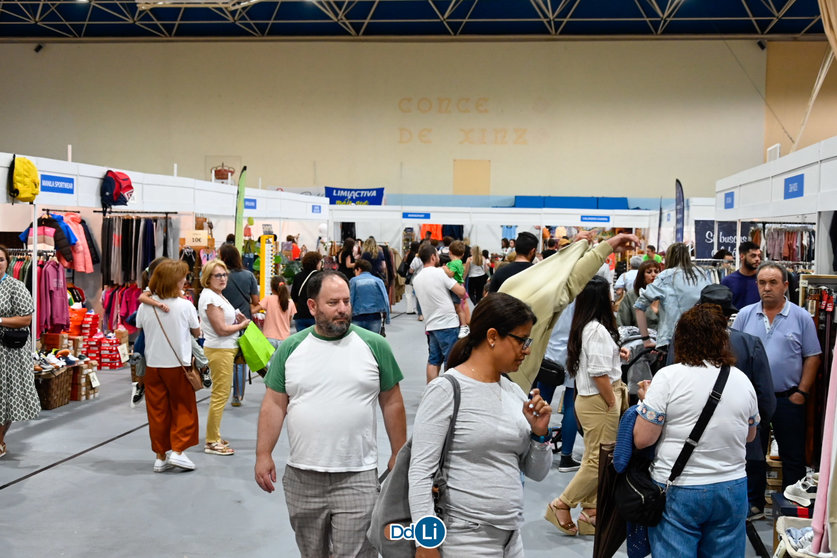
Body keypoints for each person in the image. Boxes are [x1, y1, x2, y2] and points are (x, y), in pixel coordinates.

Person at [254, 271, 407, 558]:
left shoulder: (375, 346)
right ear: (312, 307)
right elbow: (274, 404)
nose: (343, 309)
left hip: (357, 475)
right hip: (303, 476)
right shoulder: (291, 348)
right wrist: (264, 453)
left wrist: (399, 451)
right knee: (312, 553)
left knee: (357, 553)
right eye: (333, 302)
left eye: (347, 302)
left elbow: (392, 401)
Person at [408, 293, 552, 557]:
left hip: (511, 538)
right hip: (463, 538)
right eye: (522, 340)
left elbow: (536, 473)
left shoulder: (514, 391)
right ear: (493, 336)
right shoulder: (446, 390)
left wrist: (540, 435)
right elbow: (420, 473)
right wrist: (426, 542)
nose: (527, 349)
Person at [634, 304, 759, 557]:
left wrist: (644, 403)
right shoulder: (741, 380)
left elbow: (643, 439)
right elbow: (750, 435)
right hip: (731, 487)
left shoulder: (668, 377)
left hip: (681, 487)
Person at [667, 284, 776, 519]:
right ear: (728, 315)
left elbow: (667, 386)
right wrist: (753, 426)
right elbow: (765, 398)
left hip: (684, 446)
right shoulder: (749, 344)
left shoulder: (680, 341)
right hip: (736, 445)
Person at [545, 276, 628, 537]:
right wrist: (612, 402)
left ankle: (591, 512)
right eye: (610, 293)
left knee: (596, 458)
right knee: (599, 462)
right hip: (600, 400)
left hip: (592, 399)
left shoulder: (587, 327)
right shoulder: (597, 330)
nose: (614, 297)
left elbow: (597, 363)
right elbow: (600, 373)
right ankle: (562, 504)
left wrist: (617, 354)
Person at [732, 262, 821, 489]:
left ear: (785, 285)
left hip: (788, 398)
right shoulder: (745, 315)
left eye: (773, 282)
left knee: (793, 456)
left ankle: (792, 501)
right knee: (752, 455)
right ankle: (754, 505)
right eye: (762, 282)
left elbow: (813, 356)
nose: (767, 288)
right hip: (753, 400)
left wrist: (801, 392)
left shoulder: (800, 317)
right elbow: (735, 356)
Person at [135, 260, 202, 472]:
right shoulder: (185, 305)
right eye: (182, 277)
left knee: (157, 411)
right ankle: (179, 451)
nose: (185, 280)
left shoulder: (145, 306)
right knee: (183, 407)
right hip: (178, 365)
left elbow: (139, 327)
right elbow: (197, 332)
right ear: (174, 281)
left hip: (154, 365)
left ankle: (160, 455)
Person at [199, 259, 251, 457]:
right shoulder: (210, 298)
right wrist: (242, 325)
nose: (222, 279)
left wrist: (236, 319)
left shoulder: (217, 295)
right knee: (220, 395)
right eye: (217, 275)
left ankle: (215, 436)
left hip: (224, 349)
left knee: (220, 394)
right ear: (208, 278)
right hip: (220, 350)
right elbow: (221, 330)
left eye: (224, 275)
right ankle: (212, 441)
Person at [634, 242, 711, 353]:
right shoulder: (701, 274)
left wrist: (646, 340)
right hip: (702, 337)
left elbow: (639, 306)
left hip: (673, 340)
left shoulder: (666, 276)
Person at [0, 245, 39, 458]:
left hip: (10, 354)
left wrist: (0, 320)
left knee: (6, 397)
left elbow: (26, 319)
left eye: (0, 260)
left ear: (8, 263)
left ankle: (0, 441)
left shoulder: (16, 287)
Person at [535, 299, 581, 473]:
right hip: (573, 353)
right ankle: (566, 458)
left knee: (541, 398)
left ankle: (534, 444)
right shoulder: (581, 291)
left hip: (551, 351)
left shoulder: (556, 289)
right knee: (571, 403)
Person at [412, 243, 467, 383]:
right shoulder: (440, 273)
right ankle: (450, 392)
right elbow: (461, 293)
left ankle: (431, 391)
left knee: (433, 361)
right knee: (451, 362)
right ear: (433, 257)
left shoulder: (416, 279)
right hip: (448, 323)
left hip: (431, 325)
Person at [219, 244, 260, 406]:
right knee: (239, 360)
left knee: (222, 358)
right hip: (243, 322)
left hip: (221, 322)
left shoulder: (219, 277)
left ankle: (221, 393)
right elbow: (256, 301)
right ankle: (237, 395)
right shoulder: (248, 276)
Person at [349, 259, 390, 334]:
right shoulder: (378, 281)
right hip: (375, 317)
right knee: (373, 342)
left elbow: (350, 300)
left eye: (355, 271)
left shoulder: (354, 281)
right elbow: (386, 299)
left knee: (357, 342)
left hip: (357, 318)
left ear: (359, 269)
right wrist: (387, 318)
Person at [617, 260, 660, 328]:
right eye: (649, 272)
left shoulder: (665, 295)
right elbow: (622, 323)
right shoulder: (631, 296)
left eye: (656, 272)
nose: (653, 275)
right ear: (642, 276)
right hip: (638, 337)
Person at [721, 241, 762, 311]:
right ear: (742, 256)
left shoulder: (763, 280)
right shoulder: (728, 281)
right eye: (753, 256)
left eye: (759, 256)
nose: (757, 259)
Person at [260, 275, 296, 351]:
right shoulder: (290, 302)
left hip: (269, 337)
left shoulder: (268, 299)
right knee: (281, 362)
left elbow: (254, 310)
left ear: (272, 288)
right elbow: (289, 322)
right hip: (285, 339)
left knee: (269, 362)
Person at [443, 240, 470, 336]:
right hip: (456, 286)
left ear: (450, 252)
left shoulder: (454, 263)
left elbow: (450, 274)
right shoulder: (459, 262)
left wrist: (444, 268)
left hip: (455, 288)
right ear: (462, 254)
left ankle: (464, 326)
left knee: (458, 308)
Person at [290, 251, 322, 331]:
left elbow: (294, 296)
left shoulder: (298, 276)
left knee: (302, 340)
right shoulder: (321, 276)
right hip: (316, 315)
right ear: (317, 263)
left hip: (301, 315)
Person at [402, 241, 421, 314]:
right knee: (418, 294)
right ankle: (419, 310)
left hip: (409, 276)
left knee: (408, 293)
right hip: (417, 276)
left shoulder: (408, 254)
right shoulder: (417, 256)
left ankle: (409, 309)